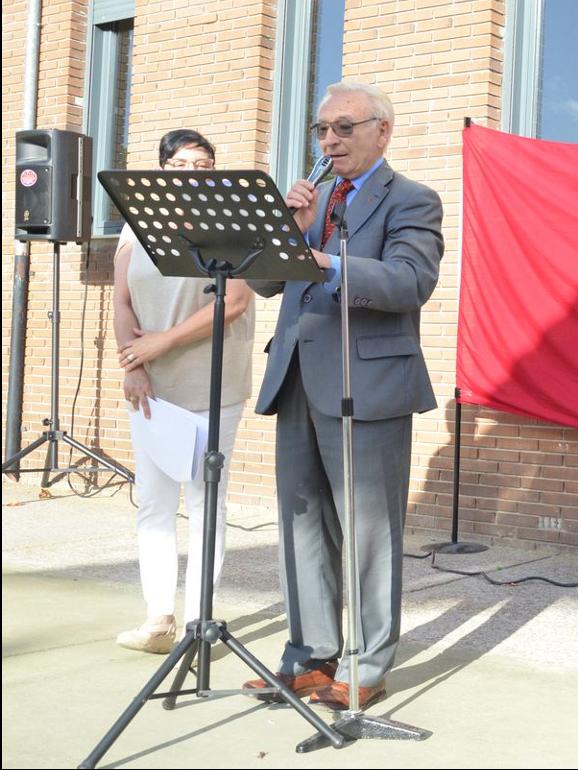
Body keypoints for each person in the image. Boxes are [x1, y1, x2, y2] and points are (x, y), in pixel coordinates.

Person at [243, 81, 443, 710]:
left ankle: (367, 663)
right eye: (321, 130)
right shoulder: (313, 199)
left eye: (344, 128)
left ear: (382, 131)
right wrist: (287, 233)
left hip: (368, 386)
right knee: (301, 526)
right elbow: (266, 283)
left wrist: (325, 259)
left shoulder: (412, 199)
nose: (329, 141)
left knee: (368, 531)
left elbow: (411, 281)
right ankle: (308, 657)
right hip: (296, 376)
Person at [112, 129, 256, 653]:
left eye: (204, 165)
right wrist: (133, 364)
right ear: (162, 171)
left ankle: (199, 623)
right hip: (150, 386)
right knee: (153, 502)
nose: (193, 174)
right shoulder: (135, 229)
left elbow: (234, 302)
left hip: (211, 383)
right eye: (181, 165)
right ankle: (158, 619)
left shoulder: (232, 225)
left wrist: (160, 344)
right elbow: (122, 303)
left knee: (203, 502)